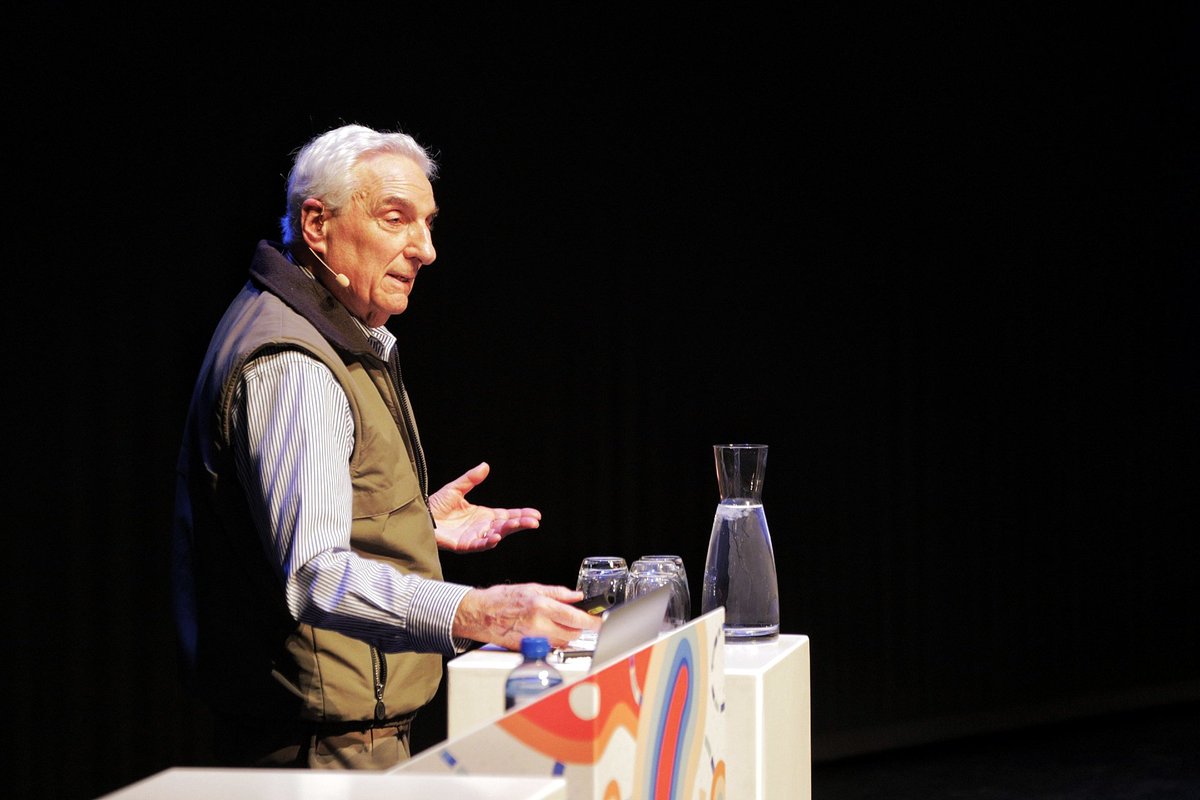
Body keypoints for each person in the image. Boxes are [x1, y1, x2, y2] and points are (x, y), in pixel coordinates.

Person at [172, 122, 600, 770]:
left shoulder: (321, 330)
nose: (425, 249)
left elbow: (287, 525)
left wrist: (412, 523)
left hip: (341, 741)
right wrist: (477, 612)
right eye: (396, 219)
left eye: (427, 224)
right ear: (316, 224)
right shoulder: (294, 363)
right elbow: (315, 575)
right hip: (317, 755)